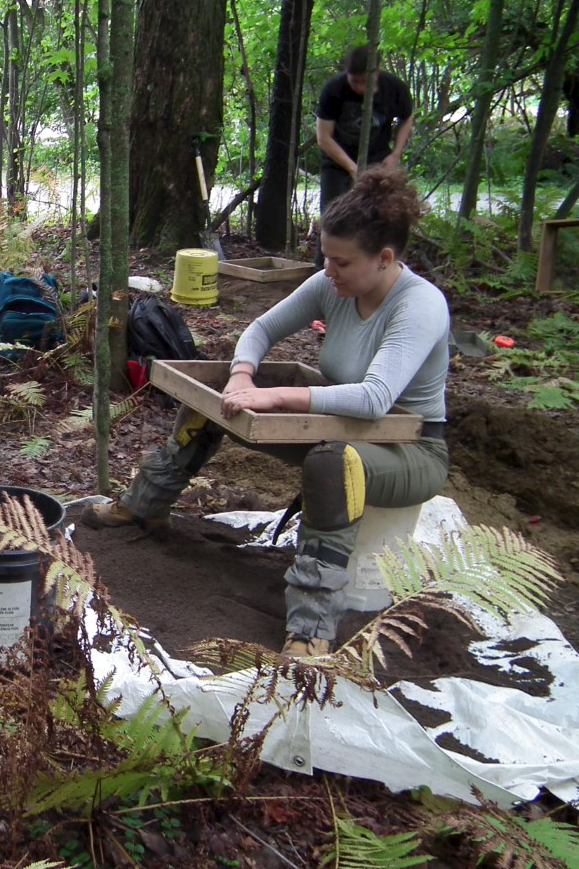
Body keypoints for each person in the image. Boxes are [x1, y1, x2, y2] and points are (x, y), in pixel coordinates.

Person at [81, 168, 449, 658]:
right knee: (212, 402)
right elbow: (259, 330)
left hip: (408, 447)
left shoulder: (419, 305)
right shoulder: (331, 284)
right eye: (325, 258)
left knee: (332, 465)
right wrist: (240, 377)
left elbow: (374, 399)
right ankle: (143, 506)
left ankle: (312, 626)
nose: (329, 271)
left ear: (384, 259)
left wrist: (275, 397)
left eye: (341, 262)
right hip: (336, 424)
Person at [314, 45, 414, 266]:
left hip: (378, 158)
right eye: (354, 81)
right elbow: (323, 138)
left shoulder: (394, 88)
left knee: (382, 216)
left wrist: (395, 154)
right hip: (338, 161)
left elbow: (407, 117)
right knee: (332, 219)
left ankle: (378, 269)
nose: (359, 87)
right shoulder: (333, 89)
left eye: (364, 82)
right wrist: (352, 168)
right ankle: (324, 272)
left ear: (377, 71)